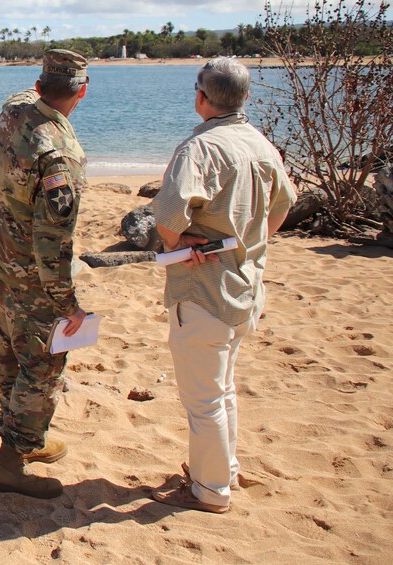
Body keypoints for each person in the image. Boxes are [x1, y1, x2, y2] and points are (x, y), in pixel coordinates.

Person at [151, 57, 297, 514]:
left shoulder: (202, 148)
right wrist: (251, 242)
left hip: (205, 288)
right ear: (245, 98)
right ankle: (224, 470)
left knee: (205, 397)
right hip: (246, 283)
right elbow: (284, 204)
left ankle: (212, 488)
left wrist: (182, 240)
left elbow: (169, 215)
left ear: (200, 97)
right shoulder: (261, 144)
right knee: (223, 387)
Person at [0, 48, 90, 500]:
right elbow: (54, 242)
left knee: (9, 348)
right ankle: (11, 464)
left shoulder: (14, 109)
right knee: (43, 366)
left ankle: (28, 439)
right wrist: (68, 305)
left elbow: (29, 94)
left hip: (1, 261)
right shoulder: (60, 156)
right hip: (31, 275)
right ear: (82, 93)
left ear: (41, 84)